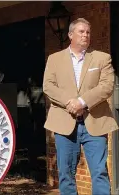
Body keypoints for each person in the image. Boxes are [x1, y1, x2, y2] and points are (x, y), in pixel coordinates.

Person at [43, 18, 118, 195]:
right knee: (66, 174)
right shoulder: (54, 59)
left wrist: (82, 102)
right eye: (81, 31)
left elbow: (107, 85)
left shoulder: (102, 58)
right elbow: (48, 86)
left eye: (88, 32)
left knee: (99, 172)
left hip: (95, 122)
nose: (85, 35)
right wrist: (70, 103)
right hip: (64, 123)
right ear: (70, 35)